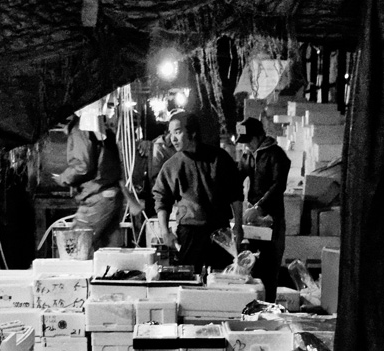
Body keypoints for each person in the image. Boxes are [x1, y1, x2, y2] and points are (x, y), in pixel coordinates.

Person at [152, 110, 244, 273]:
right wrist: (165, 231)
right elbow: (161, 199)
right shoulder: (172, 165)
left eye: (178, 132)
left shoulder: (219, 158)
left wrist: (238, 225)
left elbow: (236, 193)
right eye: (171, 133)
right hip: (190, 232)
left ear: (193, 133)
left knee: (222, 279)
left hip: (220, 230)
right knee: (188, 279)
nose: (173, 138)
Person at [54, 102, 143, 250]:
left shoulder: (80, 129)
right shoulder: (100, 128)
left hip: (97, 197)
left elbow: (83, 166)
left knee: (75, 248)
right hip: (110, 196)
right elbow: (113, 167)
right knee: (108, 252)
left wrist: (63, 178)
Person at [237, 116, 290, 302]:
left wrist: (259, 207)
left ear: (260, 136)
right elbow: (237, 177)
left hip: (272, 220)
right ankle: (251, 305)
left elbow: (278, 186)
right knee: (251, 264)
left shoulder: (276, 155)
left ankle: (268, 307)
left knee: (269, 267)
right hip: (253, 221)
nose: (248, 146)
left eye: (250, 141)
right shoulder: (248, 156)